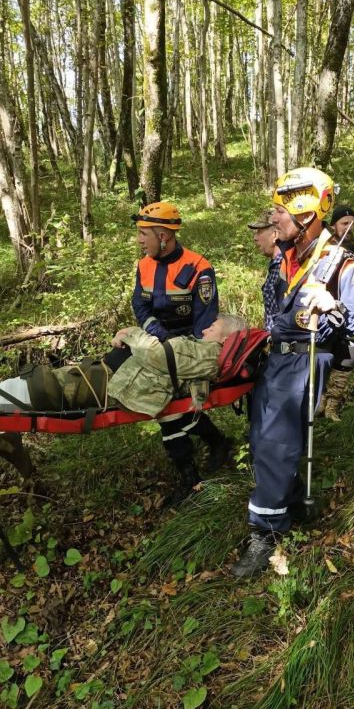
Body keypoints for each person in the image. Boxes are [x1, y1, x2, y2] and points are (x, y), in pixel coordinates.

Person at [231, 168, 354, 578]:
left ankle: (264, 533)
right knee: (265, 437)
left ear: (305, 215)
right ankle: (292, 501)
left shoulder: (339, 263)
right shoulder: (286, 258)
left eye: (280, 212)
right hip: (275, 357)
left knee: (274, 444)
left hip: (306, 359)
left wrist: (334, 306)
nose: (274, 220)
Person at [0, 315, 246, 495]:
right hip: (112, 378)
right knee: (33, 386)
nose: (205, 330)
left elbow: (159, 356)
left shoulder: (209, 354)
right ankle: (13, 447)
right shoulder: (204, 350)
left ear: (227, 339)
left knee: (39, 388)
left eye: (212, 328)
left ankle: (14, 448)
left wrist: (131, 333)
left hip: (110, 386)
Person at [131, 201, 230, 494]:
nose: (139, 240)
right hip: (157, 341)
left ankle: (189, 476)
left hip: (189, 346)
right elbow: (139, 303)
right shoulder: (144, 266)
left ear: (163, 235)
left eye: (143, 233)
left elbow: (205, 322)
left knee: (164, 400)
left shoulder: (199, 268)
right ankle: (215, 442)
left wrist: (180, 354)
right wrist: (155, 332)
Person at [318, 204, 354, 421]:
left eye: (352, 222)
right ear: (334, 224)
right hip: (326, 313)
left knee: (345, 359)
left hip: (348, 312)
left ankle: (332, 406)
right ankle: (319, 402)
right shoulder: (325, 247)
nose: (348, 227)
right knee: (324, 358)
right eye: (344, 223)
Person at [247, 209, 282, 330]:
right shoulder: (275, 265)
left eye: (259, 232)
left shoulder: (284, 266)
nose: (255, 238)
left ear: (275, 235)